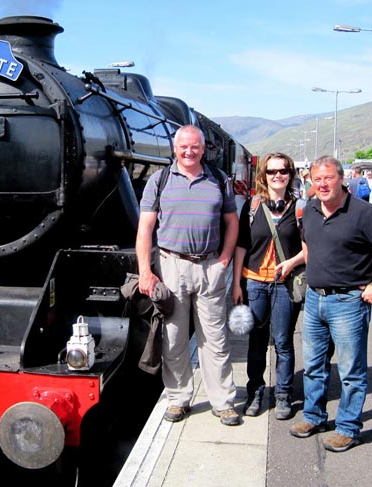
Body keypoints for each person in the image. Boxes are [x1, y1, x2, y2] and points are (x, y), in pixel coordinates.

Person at [289, 155, 372, 453]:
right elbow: (308, 244)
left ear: (341, 179)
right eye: (317, 179)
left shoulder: (365, 214)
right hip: (315, 299)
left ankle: (349, 429)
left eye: (328, 178)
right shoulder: (311, 209)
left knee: (351, 372)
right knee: (314, 365)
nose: (323, 184)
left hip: (349, 303)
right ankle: (314, 416)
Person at [136, 124, 241, 426]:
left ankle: (222, 401)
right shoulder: (160, 180)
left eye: (195, 146)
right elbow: (145, 229)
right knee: (173, 337)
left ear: (203, 148)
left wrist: (224, 259)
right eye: (184, 146)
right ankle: (178, 398)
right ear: (175, 148)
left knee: (215, 338)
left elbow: (232, 223)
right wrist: (146, 272)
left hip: (210, 265)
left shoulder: (219, 180)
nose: (189, 151)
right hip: (172, 265)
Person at [231, 152, 304, 421]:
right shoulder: (251, 207)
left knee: (283, 342)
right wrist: (236, 284)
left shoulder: (300, 208)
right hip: (255, 284)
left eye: (282, 171)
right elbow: (241, 246)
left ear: (290, 174)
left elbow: (309, 249)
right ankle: (256, 392)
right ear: (264, 176)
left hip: (285, 285)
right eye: (271, 172)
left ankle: (283, 395)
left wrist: (292, 262)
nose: (277, 176)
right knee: (257, 341)